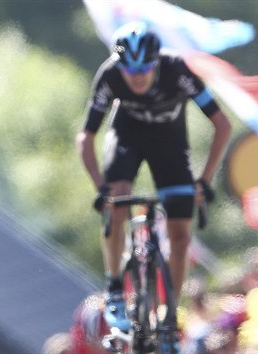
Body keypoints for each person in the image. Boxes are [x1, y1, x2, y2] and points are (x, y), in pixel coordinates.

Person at [76, 21, 231, 347]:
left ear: (156, 61)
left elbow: (221, 124)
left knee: (180, 233)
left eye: (145, 68)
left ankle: (170, 316)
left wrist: (204, 180)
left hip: (170, 146)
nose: (138, 76)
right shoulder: (110, 75)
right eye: (130, 70)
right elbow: (86, 136)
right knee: (117, 198)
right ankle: (115, 288)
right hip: (126, 140)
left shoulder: (177, 70)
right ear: (120, 66)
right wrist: (99, 186)